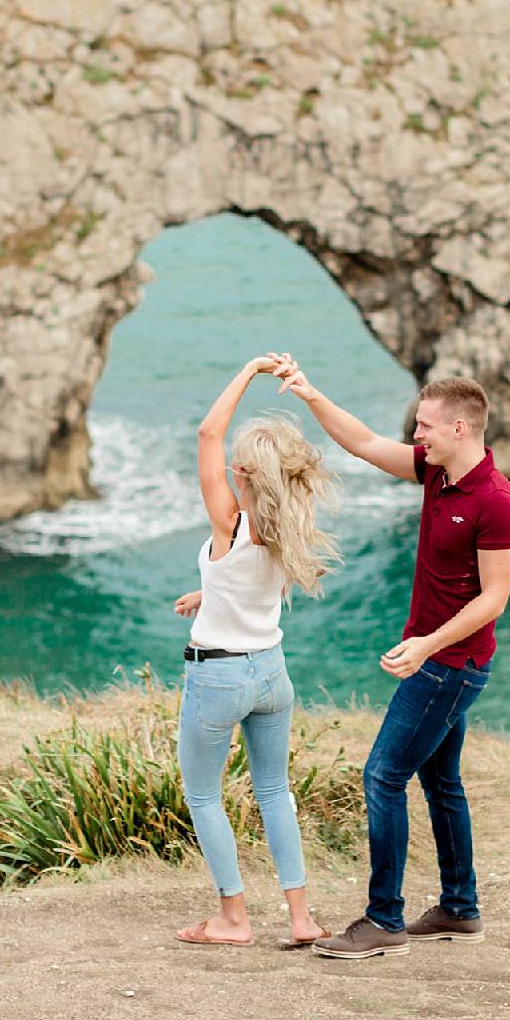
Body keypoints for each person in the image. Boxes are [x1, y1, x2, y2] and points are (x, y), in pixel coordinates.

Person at [269, 356, 510, 960]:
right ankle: (460, 910)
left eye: (427, 427)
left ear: (460, 428)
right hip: (439, 660)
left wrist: (427, 646)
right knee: (442, 782)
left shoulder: (496, 502)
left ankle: (383, 919)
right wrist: (310, 393)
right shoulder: (436, 474)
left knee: (383, 776)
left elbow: (494, 599)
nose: (417, 435)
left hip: (449, 667)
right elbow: (360, 441)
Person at [171, 355, 341, 948]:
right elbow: (254, 586)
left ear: (241, 470)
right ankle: (299, 919)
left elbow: (207, 432)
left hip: (218, 678)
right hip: (272, 675)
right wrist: (206, 592)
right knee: (274, 792)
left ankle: (233, 920)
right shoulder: (288, 528)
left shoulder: (230, 521)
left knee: (203, 795)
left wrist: (246, 371)